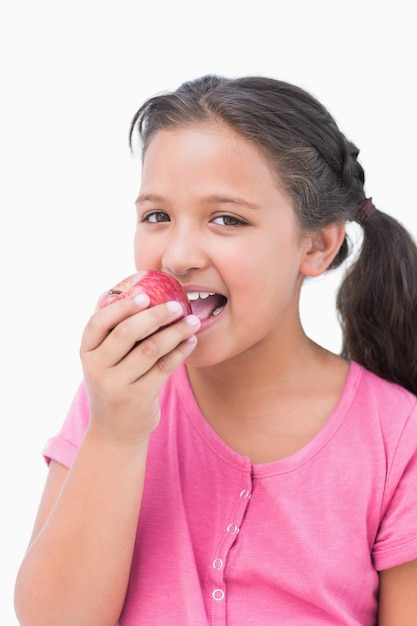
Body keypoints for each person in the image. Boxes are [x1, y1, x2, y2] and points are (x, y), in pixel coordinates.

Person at [15, 75, 417, 625]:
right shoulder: (116, 399)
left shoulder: (398, 434)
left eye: (227, 218)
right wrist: (116, 431)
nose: (177, 256)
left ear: (317, 245)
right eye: (157, 215)